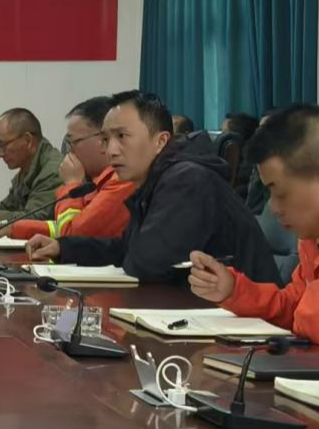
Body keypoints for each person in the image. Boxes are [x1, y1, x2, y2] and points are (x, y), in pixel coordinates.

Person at [27, 90, 279, 284]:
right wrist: (63, 247)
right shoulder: (156, 179)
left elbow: (146, 264)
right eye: (105, 139)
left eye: (122, 136)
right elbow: (126, 247)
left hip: (244, 323)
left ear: (160, 141)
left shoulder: (187, 181)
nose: (111, 150)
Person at [189, 105, 319, 345]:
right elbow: (294, 306)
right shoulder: (315, 235)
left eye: (280, 194)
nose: (274, 208)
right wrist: (234, 291)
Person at [0, 96, 136, 240]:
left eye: (73, 142)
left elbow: (72, 236)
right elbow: (59, 227)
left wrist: (71, 185)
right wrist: (12, 228)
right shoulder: (95, 183)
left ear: (102, 140)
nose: (70, 151)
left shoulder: (120, 183)